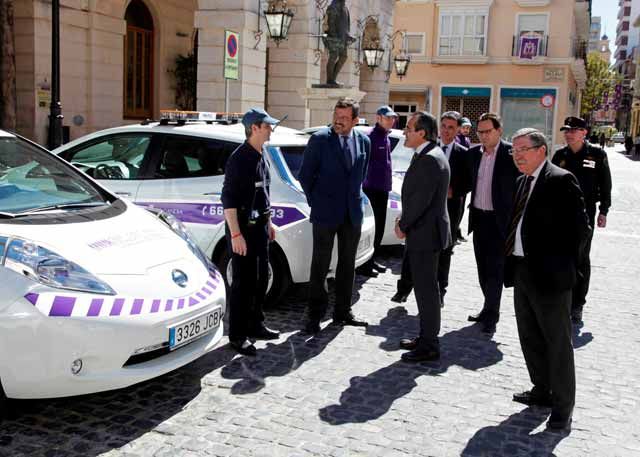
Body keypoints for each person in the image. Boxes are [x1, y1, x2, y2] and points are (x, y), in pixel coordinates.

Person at [505, 128, 590, 431]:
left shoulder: (560, 180)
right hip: (522, 271)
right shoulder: (521, 181)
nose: (517, 156)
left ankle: (563, 407)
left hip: (551, 278)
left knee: (557, 343)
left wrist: (564, 268)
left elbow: (580, 232)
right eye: (514, 151)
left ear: (541, 150)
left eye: (522, 150)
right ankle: (541, 389)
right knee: (529, 336)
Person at [299, 98, 371, 334]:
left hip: (352, 212)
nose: (338, 121)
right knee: (320, 264)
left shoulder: (364, 141)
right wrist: (317, 202)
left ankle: (343, 311)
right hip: (325, 212)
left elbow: (361, 175)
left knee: (348, 263)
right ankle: (314, 315)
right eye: (336, 116)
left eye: (343, 118)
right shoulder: (320, 140)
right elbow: (305, 176)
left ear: (355, 120)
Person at [390, 111, 470, 306]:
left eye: (451, 127)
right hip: (422, 219)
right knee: (413, 254)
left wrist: (452, 191)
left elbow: (468, 182)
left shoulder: (456, 154)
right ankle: (405, 288)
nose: (446, 130)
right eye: (444, 126)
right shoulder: (427, 151)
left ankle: (439, 290)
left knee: (442, 256)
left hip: (446, 211)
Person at [221, 108, 281, 356]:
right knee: (242, 285)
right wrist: (236, 234)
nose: (270, 130)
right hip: (243, 230)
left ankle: (256, 324)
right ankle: (237, 335)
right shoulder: (240, 158)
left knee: (260, 281)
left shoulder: (262, 153)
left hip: (260, 229)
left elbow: (263, 192)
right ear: (254, 128)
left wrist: (269, 222)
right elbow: (229, 200)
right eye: (267, 126)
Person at [395, 111, 451, 362]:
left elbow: (420, 201)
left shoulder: (430, 158)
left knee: (427, 292)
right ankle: (426, 336)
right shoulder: (429, 154)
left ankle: (430, 345)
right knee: (425, 290)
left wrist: (403, 225)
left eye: (408, 128)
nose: (405, 132)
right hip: (424, 233)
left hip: (425, 235)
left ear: (422, 133)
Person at [551, 116, 612, 324]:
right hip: (560, 215)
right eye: (566, 130)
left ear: (584, 132)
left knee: (580, 258)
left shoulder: (596, 155)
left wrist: (604, 210)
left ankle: (577, 305)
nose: (568, 134)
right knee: (561, 256)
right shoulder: (560, 155)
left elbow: (606, 185)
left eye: (573, 130)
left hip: (584, 215)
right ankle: (562, 300)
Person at [467, 113, 520, 334]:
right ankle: (487, 307)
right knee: (482, 269)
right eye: (480, 132)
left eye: (488, 131)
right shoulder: (473, 154)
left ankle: (492, 314)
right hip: (479, 219)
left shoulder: (511, 155)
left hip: (500, 222)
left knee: (496, 270)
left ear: (499, 131)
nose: (484, 136)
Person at [356, 105, 398, 278]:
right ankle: (365, 265)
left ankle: (372, 259)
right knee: (373, 227)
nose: (391, 121)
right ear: (378, 118)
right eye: (388, 118)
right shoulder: (371, 136)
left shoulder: (386, 137)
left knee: (380, 227)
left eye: (392, 118)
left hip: (383, 188)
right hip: (372, 188)